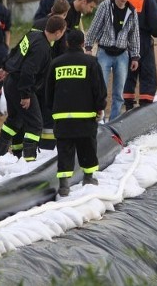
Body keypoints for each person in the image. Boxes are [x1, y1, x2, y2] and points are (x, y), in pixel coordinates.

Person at [0, 16, 67, 162]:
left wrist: (7, 66)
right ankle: (29, 161)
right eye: (63, 32)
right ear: (58, 33)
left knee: (14, 120)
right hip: (21, 87)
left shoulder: (34, 34)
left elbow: (17, 50)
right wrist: (25, 95)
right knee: (36, 124)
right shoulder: (42, 48)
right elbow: (28, 72)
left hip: (12, 82)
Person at [46, 29, 107, 197]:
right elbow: (99, 89)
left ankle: (64, 185)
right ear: (82, 44)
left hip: (62, 117)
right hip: (85, 116)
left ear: (66, 43)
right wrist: (99, 107)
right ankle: (88, 178)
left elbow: (48, 90)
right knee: (87, 147)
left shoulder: (56, 63)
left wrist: (53, 109)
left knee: (64, 149)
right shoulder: (91, 62)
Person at [84, 0, 140, 122]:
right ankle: (98, 119)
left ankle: (114, 121)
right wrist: (89, 47)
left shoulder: (132, 11)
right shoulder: (105, 6)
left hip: (122, 55)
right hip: (104, 52)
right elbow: (94, 27)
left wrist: (135, 56)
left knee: (118, 93)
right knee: (100, 89)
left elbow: (134, 35)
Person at [123, 0, 157, 111]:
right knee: (147, 73)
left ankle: (128, 104)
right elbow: (155, 22)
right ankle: (145, 106)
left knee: (128, 72)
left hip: (124, 39)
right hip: (142, 39)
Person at [30, 0, 70, 150]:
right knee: (48, 114)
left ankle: (30, 146)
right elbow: (61, 55)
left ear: (52, 9)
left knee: (34, 113)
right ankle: (46, 147)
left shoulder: (37, 24)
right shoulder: (61, 28)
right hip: (49, 76)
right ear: (65, 14)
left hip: (34, 74)